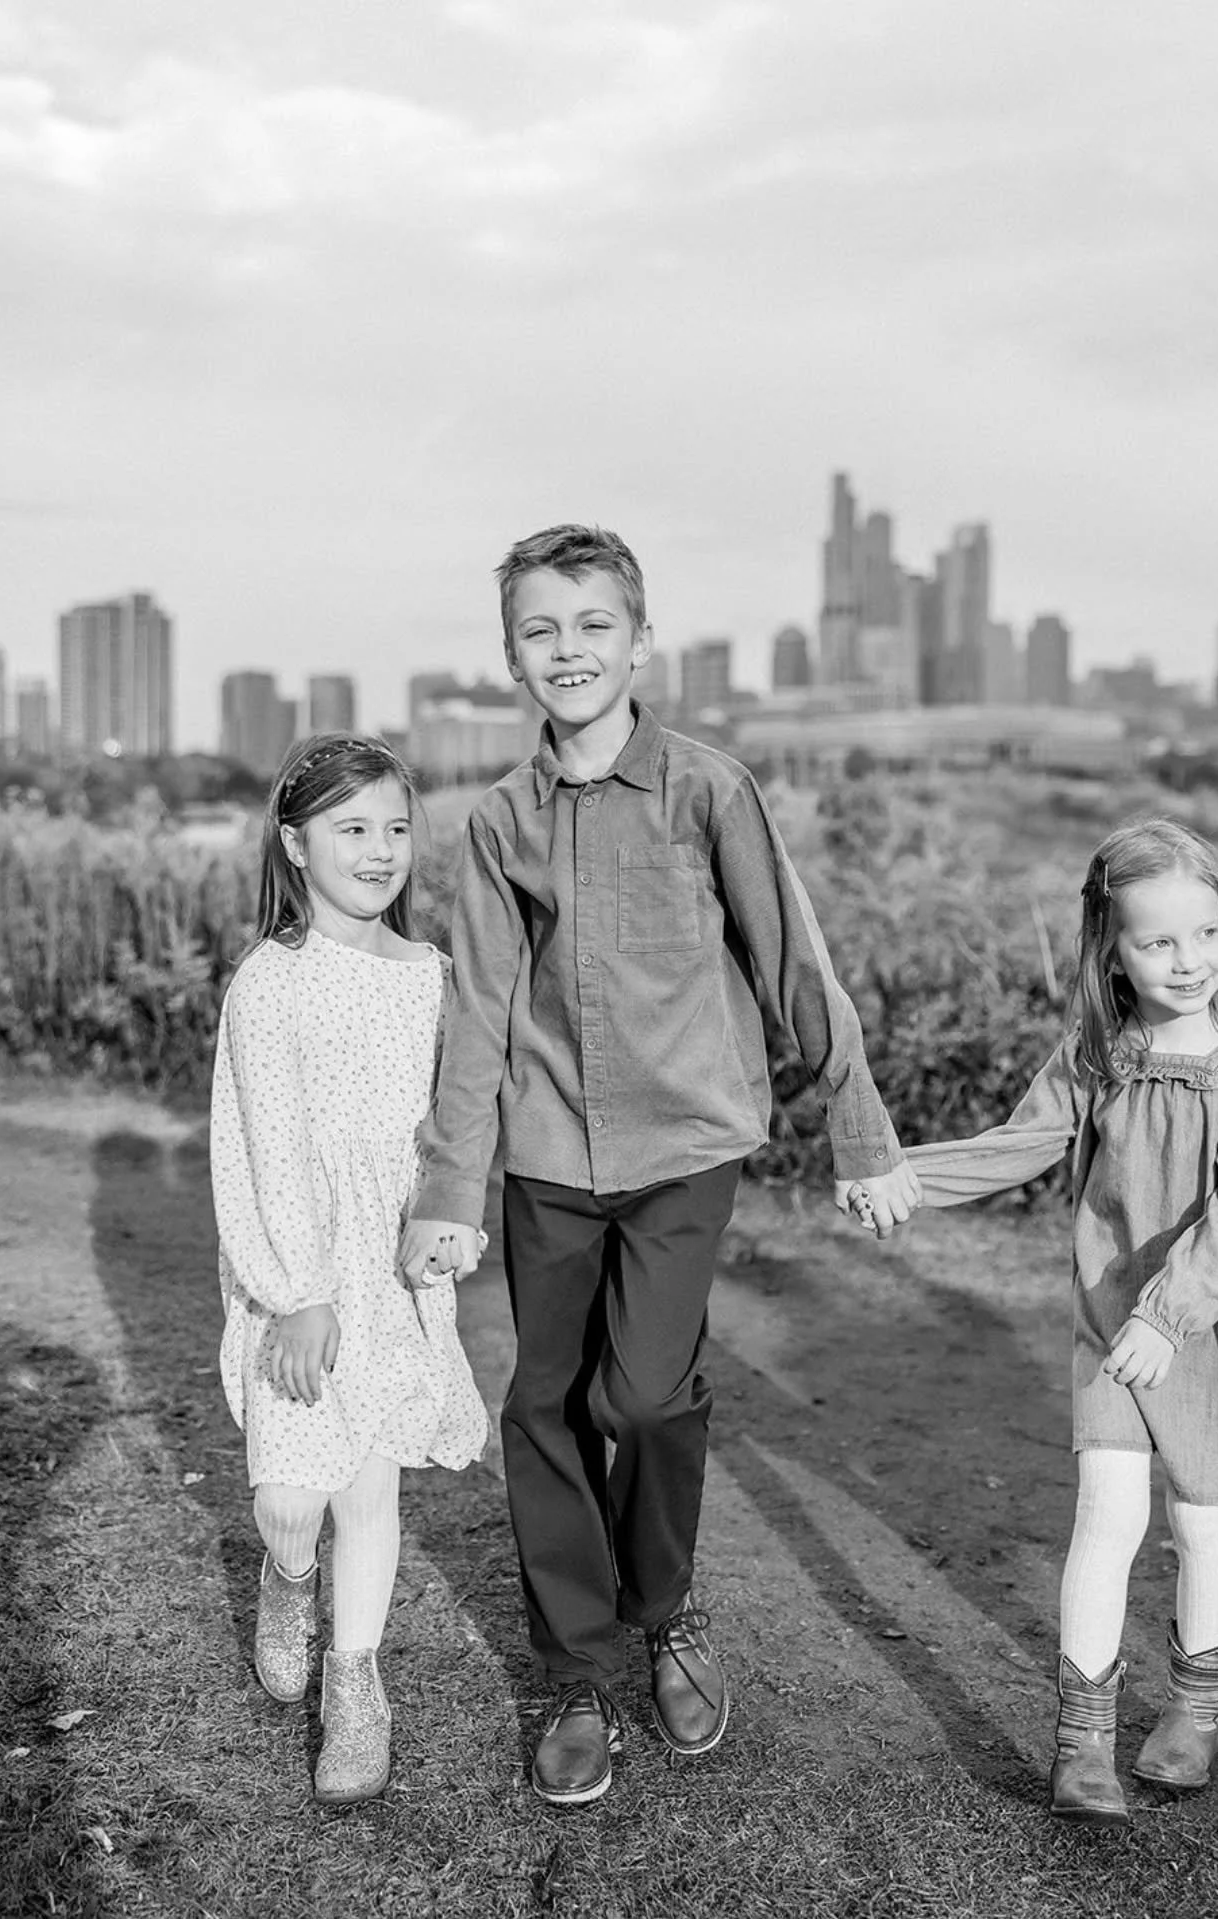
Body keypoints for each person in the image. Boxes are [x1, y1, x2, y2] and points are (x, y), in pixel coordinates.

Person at [397, 523, 919, 1806]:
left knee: (642, 1397)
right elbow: (477, 1012)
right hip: (548, 1153)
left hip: (686, 1144)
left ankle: (667, 1607)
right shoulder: (499, 822)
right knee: (545, 1403)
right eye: (540, 629)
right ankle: (577, 1668)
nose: (567, 650)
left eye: (593, 625)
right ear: (511, 654)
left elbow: (794, 961)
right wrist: (451, 1188)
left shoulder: (709, 789)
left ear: (640, 642)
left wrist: (858, 1127)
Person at [883, 818, 1218, 1826]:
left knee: (1202, 1519)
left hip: (1207, 1326)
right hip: (1111, 1319)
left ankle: (1193, 1713)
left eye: (1205, 934)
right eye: (1158, 940)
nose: (1189, 959)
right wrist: (906, 1176)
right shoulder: (1095, 1056)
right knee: (1108, 1515)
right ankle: (1082, 1741)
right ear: (1113, 951)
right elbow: (1019, 1143)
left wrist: (1169, 1317)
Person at [211, 732, 488, 1806]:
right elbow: (263, 1147)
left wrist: (454, 1219)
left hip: (393, 1262)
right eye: (353, 828)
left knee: (371, 1481)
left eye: (396, 828)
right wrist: (300, 1294)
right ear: (295, 842)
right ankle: (288, 1575)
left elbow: (456, 1128)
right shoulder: (271, 980)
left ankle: (356, 1682)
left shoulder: (433, 976)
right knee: (292, 1493)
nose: (380, 850)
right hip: (302, 1261)